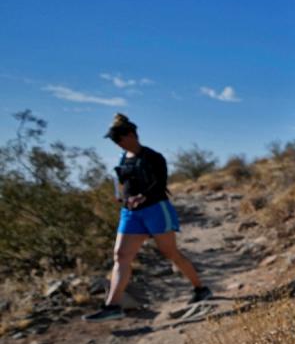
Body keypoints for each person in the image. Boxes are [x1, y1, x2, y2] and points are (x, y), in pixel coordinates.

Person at [83, 113, 211, 322]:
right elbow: (122, 184)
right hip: (130, 213)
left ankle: (200, 288)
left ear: (132, 135)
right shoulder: (123, 159)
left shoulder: (153, 157)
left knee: (170, 253)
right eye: (114, 140)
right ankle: (112, 306)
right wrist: (122, 198)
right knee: (121, 256)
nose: (117, 143)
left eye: (119, 139)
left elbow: (160, 184)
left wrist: (142, 197)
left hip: (156, 209)